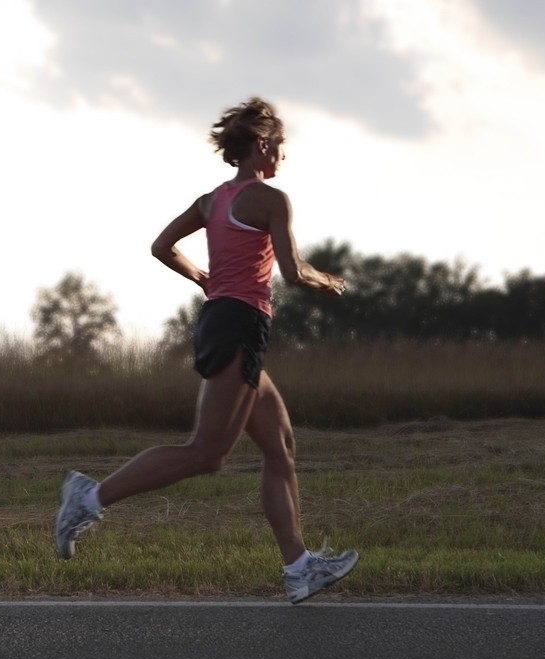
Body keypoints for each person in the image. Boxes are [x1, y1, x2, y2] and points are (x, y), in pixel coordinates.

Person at [53, 96, 358, 603]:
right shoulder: (271, 199)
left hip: (228, 321)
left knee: (280, 447)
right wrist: (327, 282)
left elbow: (161, 246)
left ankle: (300, 568)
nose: (282, 157)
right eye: (279, 147)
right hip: (239, 325)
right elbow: (292, 270)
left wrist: (204, 279)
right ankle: (89, 498)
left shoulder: (211, 201)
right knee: (207, 453)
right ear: (262, 146)